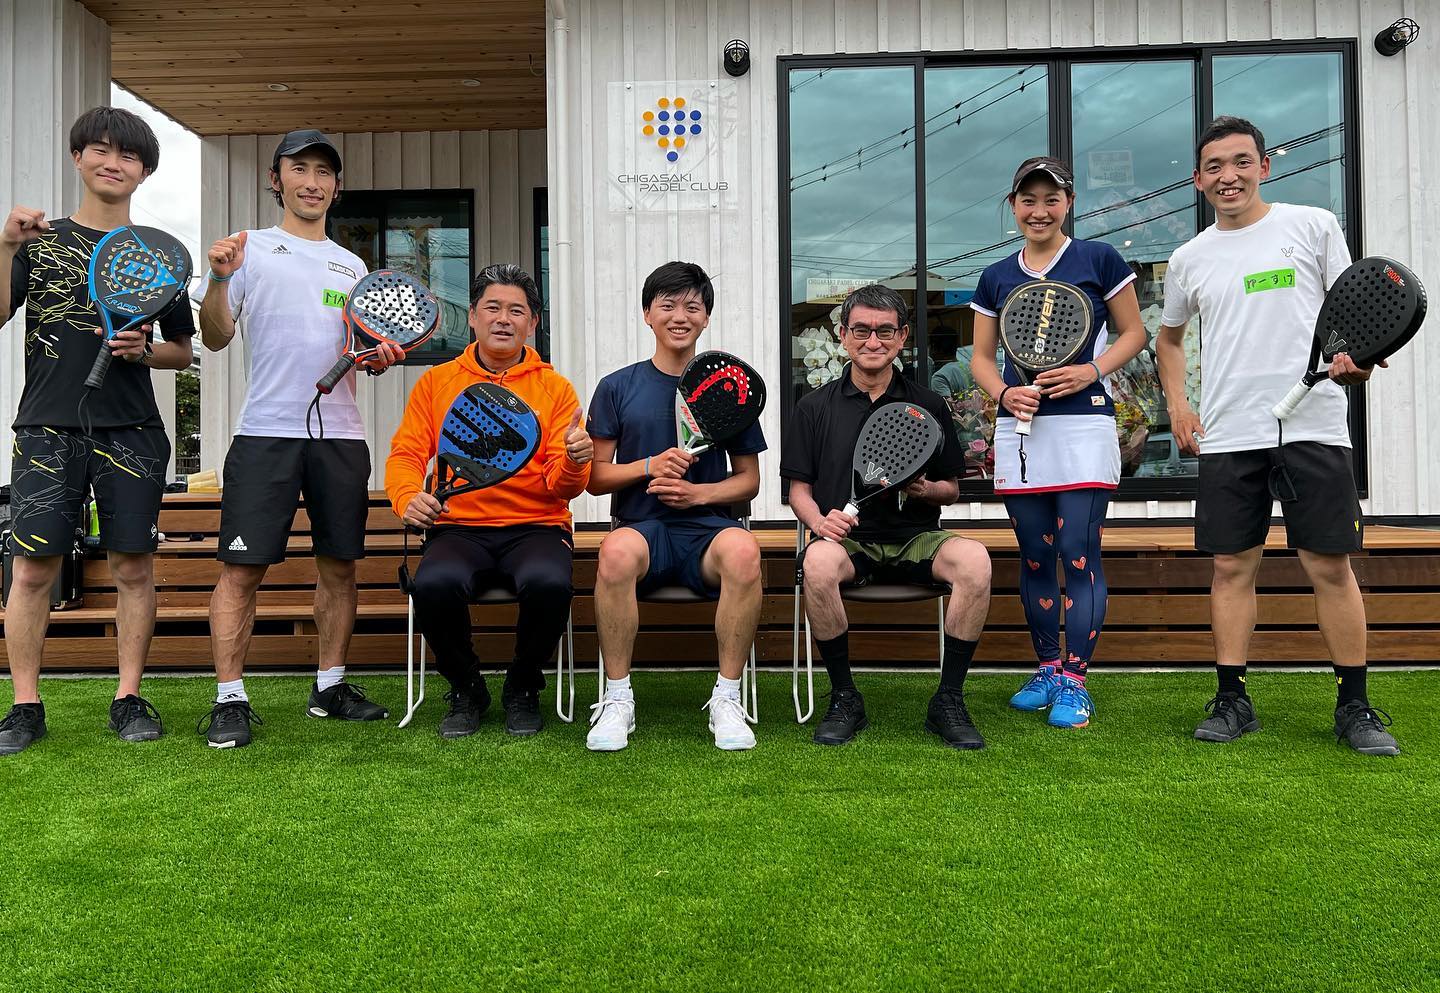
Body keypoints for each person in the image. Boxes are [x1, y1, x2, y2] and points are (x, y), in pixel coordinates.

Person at [1155, 116, 1398, 756]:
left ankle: (1356, 706)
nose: (1227, 176)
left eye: (1240, 162)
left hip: (1313, 426)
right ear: (1199, 179)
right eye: (1214, 166)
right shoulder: (1189, 258)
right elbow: (1170, 337)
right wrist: (1178, 404)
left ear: (1265, 166)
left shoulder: (1312, 226)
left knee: (1328, 565)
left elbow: (1353, 313)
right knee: (1232, 566)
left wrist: (1358, 361)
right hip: (1231, 432)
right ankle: (1232, 698)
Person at [196, 129, 401, 748]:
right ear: (276, 178)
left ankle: (329, 685)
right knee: (242, 570)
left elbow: (360, 344)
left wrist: (376, 357)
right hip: (265, 434)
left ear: (336, 187)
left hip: (341, 436)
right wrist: (218, 279)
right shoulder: (248, 249)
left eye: (324, 173)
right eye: (300, 169)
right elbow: (214, 337)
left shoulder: (353, 265)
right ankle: (230, 697)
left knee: (340, 567)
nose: (312, 182)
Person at [0, 107, 195, 756]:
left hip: (132, 429)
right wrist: (4, 246)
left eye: (129, 156)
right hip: (47, 426)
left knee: (133, 567)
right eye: (101, 150)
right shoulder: (38, 240)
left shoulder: (158, 256)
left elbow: (183, 352)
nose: (114, 162)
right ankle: (25, 704)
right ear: (78, 157)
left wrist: (144, 351)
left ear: (144, 171)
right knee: (31, 571)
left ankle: (128, 695)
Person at [969, 156, 1147, 730]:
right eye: (1027, 200)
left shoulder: (1098, 259)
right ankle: (1047, 666)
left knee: (1078, 551)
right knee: (1036, 554)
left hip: (1084, 426)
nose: (1039, 211)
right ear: (1013, 205)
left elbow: (1135, 333)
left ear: (1068, 202)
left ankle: (1076, 679)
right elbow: (979, 358)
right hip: (1021, 430)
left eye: (1051, 199)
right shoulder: (996, 275)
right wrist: (1003, 394)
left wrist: (1091, 373)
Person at [782, 283, 992, 749]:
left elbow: (951, 489)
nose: (872, 341)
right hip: (848, 544)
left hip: (916, 536)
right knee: (816, 563)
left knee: (976, 560)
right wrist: (820, 524)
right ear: (843, 335)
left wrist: (924, 488)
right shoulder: (814, 407)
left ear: (902, 339)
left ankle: (949, 700)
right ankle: (844, 697)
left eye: (884, 331)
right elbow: (798, 490)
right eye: (861, 329)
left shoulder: (928, 404)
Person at [387, 264, 592, 738]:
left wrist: (578, 460)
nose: (504, 319)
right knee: (434, 584)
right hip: (457, 527)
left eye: (516, 310)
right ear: (474, 317)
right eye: (492, 308)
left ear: (532, 323)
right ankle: (466, 687)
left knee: (550, 584)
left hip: (537, 527)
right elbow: (406, 454)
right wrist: (407, 497)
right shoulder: (436, 382)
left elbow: (562, 487)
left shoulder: (555, 389)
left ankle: (523, 684)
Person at [585, 261, 765, 752]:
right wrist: (648, 467)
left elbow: (749, 480)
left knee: (746, 553)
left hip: (708, 531)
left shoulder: (730, 386)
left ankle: (727, 698)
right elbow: (596, 478)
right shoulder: (617, 386)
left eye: (692, 306)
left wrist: (699, 494)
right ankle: (617, 699)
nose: (679, 315)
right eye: (667, 305)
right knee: (614, 554)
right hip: (642, 528)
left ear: (706, 318)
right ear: (647, 314)